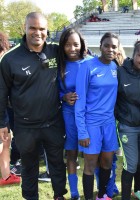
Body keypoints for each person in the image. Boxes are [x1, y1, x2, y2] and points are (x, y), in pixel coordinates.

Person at [0, 12, 67, 199]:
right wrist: (2, 122)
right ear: (25, 28)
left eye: (42, 29)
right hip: (25, 125)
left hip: (53, 122)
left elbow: (78, 57)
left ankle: (59, 195)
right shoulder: (10, 59)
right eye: (33, 28)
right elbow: (1, 92)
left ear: (47, 30)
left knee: (56, 163)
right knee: (29, 167)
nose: (38, 32)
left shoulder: (56, 51)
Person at [75, 32, 120, 200]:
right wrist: (82, 131)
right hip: (91, 123)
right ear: (100, 46)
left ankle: (101, 195)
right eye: (107, 45)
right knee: (90, 164)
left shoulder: (115, 67)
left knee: (107, 162)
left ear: (117, 49)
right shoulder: (87, 66)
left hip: (109, 123)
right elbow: (79, 101)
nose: (110, 49)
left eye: (114, 46)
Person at [116, 40, 140, 200]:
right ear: (133, 55)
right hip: (127, 126)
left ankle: (138, 191)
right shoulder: (121, 71)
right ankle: (125, 196)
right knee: (130, 163)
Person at [57, 28, 88, 200]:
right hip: (69, 114)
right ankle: (74, 192)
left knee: (92, 152)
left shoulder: (90, 62)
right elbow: (53, 90)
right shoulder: (60, 65)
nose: (72, 48)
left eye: (76, 44)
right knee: (71, 152)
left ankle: (102, 186)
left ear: (81, 44)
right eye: (68, 45)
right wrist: (64, 96)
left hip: (89, 115)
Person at [0, 32, 21, 187]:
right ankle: (6, 175)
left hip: (5, 109)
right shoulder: (5, 60)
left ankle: (6, 176)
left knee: (6, 141)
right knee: (3, 142)